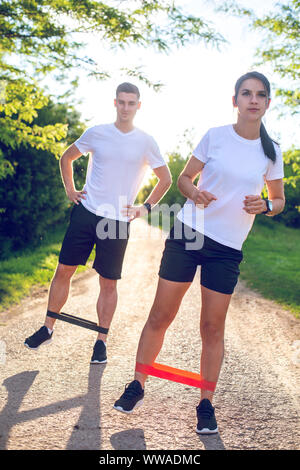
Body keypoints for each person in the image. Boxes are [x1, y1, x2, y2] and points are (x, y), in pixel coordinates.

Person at [113, 72, 285, 434]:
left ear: (267, 104)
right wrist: (194, 194)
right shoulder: (215, 136)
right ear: (235, 100)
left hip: (227, 248)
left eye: (260, 95)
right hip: (190, 234)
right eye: (246, 93)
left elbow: (279, 200)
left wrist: (265, 204)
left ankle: (205, 403)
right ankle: (138, 385)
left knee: (212, 326)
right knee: (161, 314)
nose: (253, 100)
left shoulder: (272, 152)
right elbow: (184, 179)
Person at [24, 82, 172, 364]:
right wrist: (70, 189)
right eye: (122, 102)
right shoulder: (97, 132)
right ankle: (47, 327)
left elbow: (165, 178)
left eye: (131, 103)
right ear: (114, 103)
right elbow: (67, 157)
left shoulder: (146, 141)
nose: (126, 107)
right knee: (64, 270)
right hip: (86, 211)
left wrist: (146, 207)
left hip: (117, 220)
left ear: (138, 106)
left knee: (108, 282)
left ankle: (101, 341)